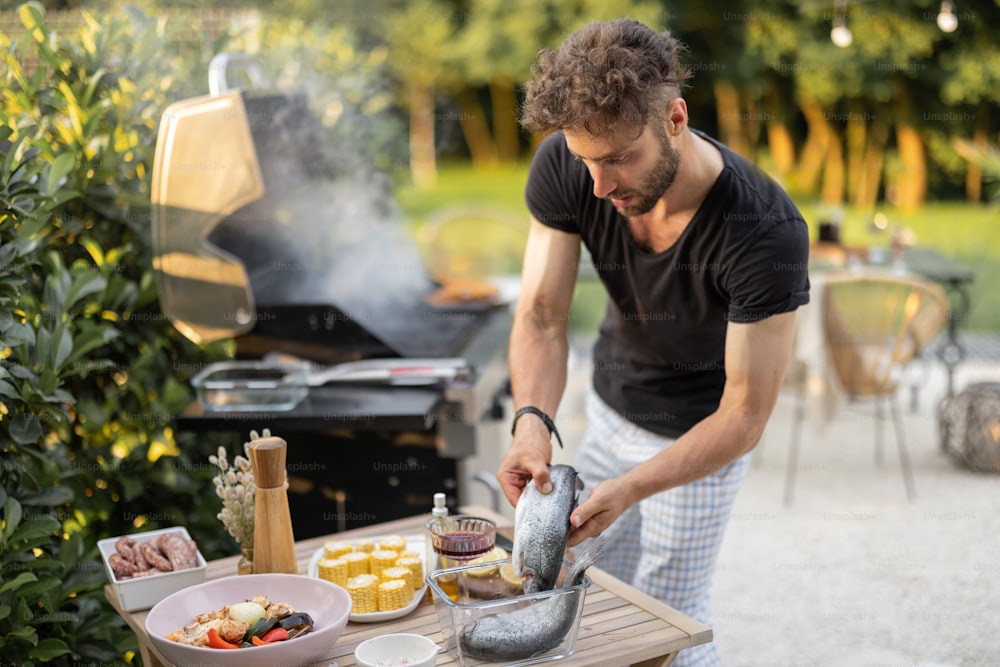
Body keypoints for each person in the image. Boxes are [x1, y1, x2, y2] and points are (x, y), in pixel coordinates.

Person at [497, 18, 810, 667]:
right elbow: (542, 316)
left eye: (618, 159)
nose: (600, 186)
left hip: (701, 437)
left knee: (669, 622)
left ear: (674, 117)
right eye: (587, 161)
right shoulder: (568, 163)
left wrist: (634, 485)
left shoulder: (763, 231)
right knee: (591, 601)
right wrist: (531, 422)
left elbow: (745, 415)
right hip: (612, 405)